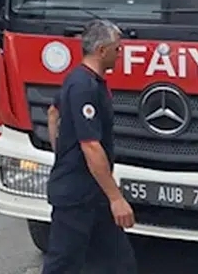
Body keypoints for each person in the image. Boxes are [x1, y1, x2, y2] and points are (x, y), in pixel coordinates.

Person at [42, 20, 137, 274]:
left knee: (120, 263)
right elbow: (91, 146)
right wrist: (116, 198)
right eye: (117, 49)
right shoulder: (84, 86)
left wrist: (61, 153)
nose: (121, 54)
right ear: (102, 50)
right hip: (77, 196)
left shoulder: (79, 79)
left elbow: (53, 113)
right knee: (62, 264)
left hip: (93, 193)